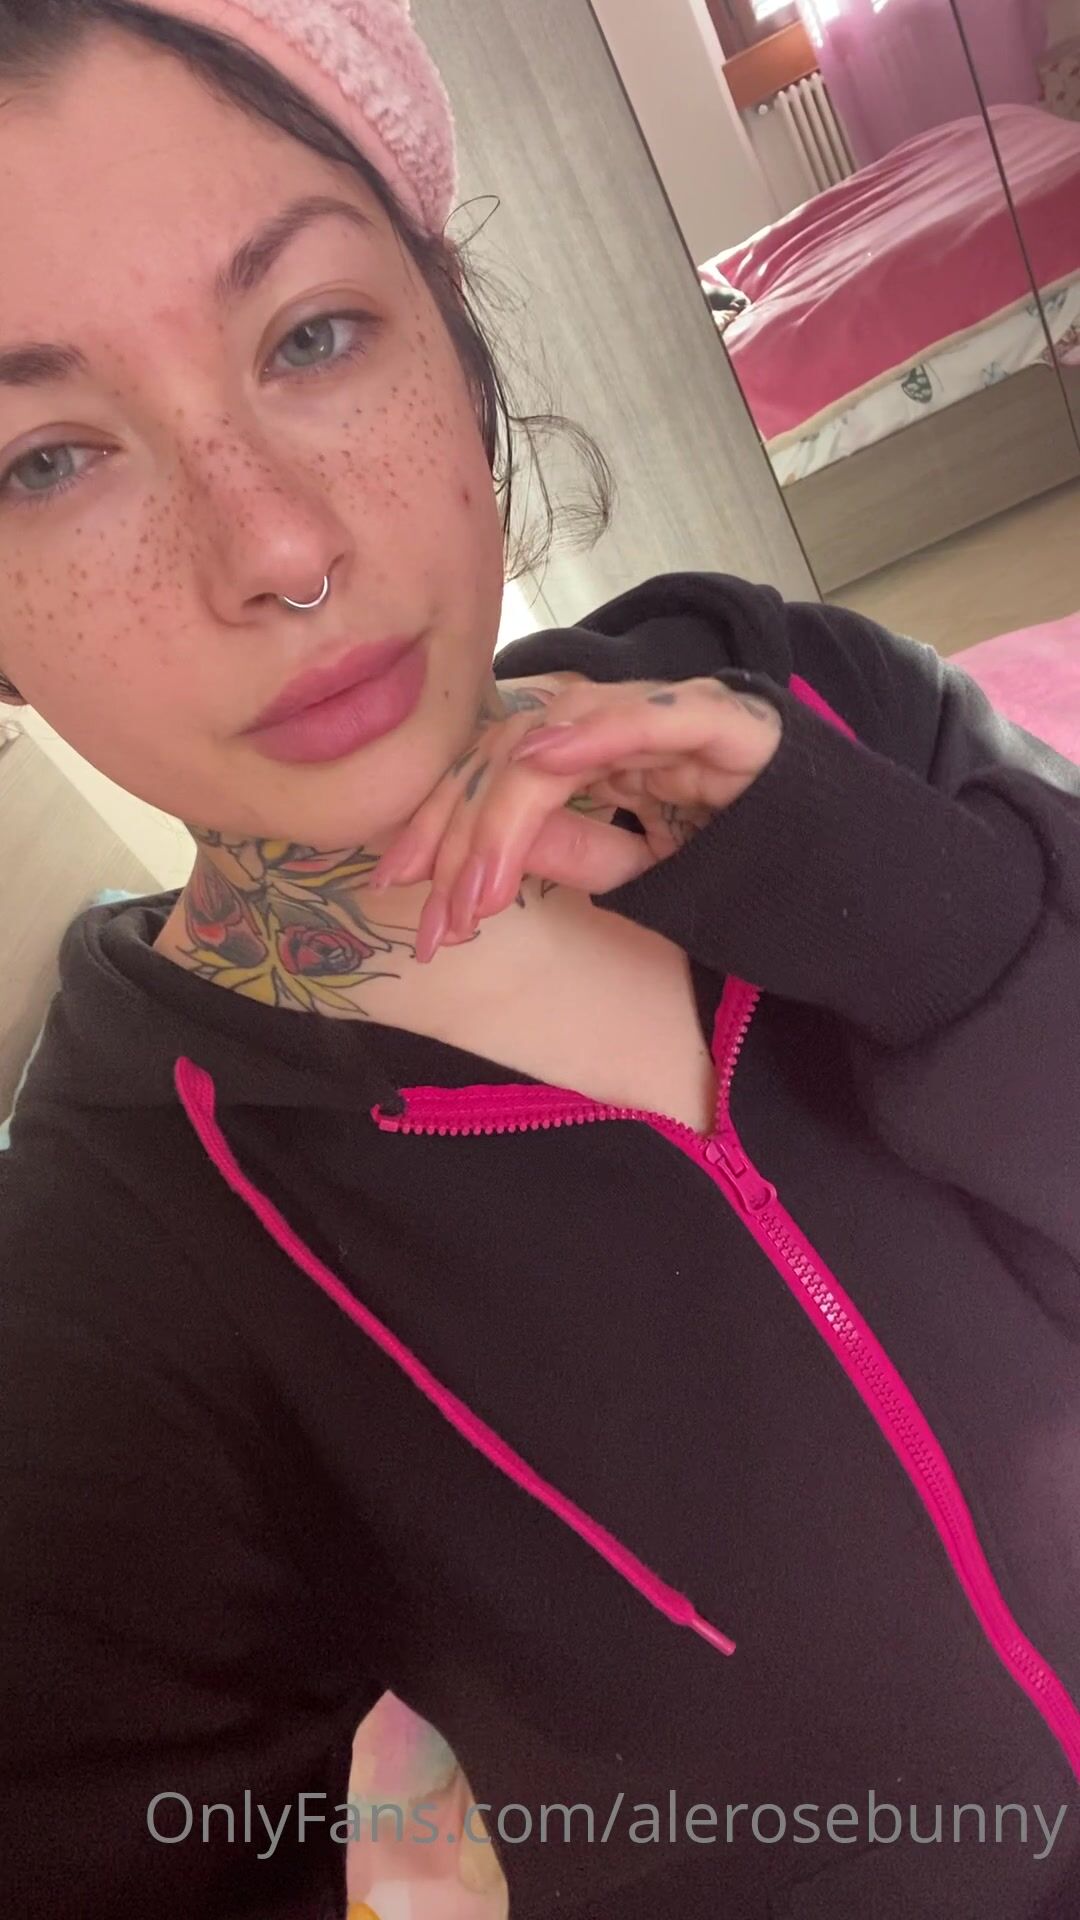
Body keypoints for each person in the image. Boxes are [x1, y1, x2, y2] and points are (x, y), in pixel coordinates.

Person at [0, 3, 1078, 1916]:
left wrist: (914, 910)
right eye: (46, 461)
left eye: (312, 335)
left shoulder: (802, 688)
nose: (278, 546)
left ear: (450, 321)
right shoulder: (113, 1271)